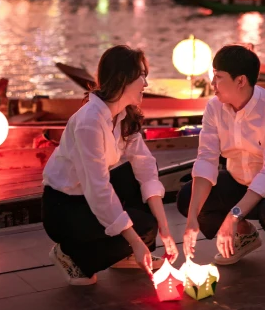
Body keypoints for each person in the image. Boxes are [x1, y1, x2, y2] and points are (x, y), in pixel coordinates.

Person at [42, 45, 178, 286]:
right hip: (65, 207)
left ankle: (123, 251)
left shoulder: (126, 116)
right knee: (141, 229)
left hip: (90, 196)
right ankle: (70, 255)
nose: (146, 84)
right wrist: (136, 241)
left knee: (148, 211)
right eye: (142, 76)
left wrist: (165, 228)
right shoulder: (89, 122)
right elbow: (98, 189)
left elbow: (145, 166)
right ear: (122, 79)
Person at [178, 44, 265, 276]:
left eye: (218, 77)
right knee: (187, 199)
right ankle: (246, 235)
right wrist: (192, 219)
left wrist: (232, 216)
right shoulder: (214, 108)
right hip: (239, 180)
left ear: (240, 81)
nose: (212, 84)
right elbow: (206, 160)